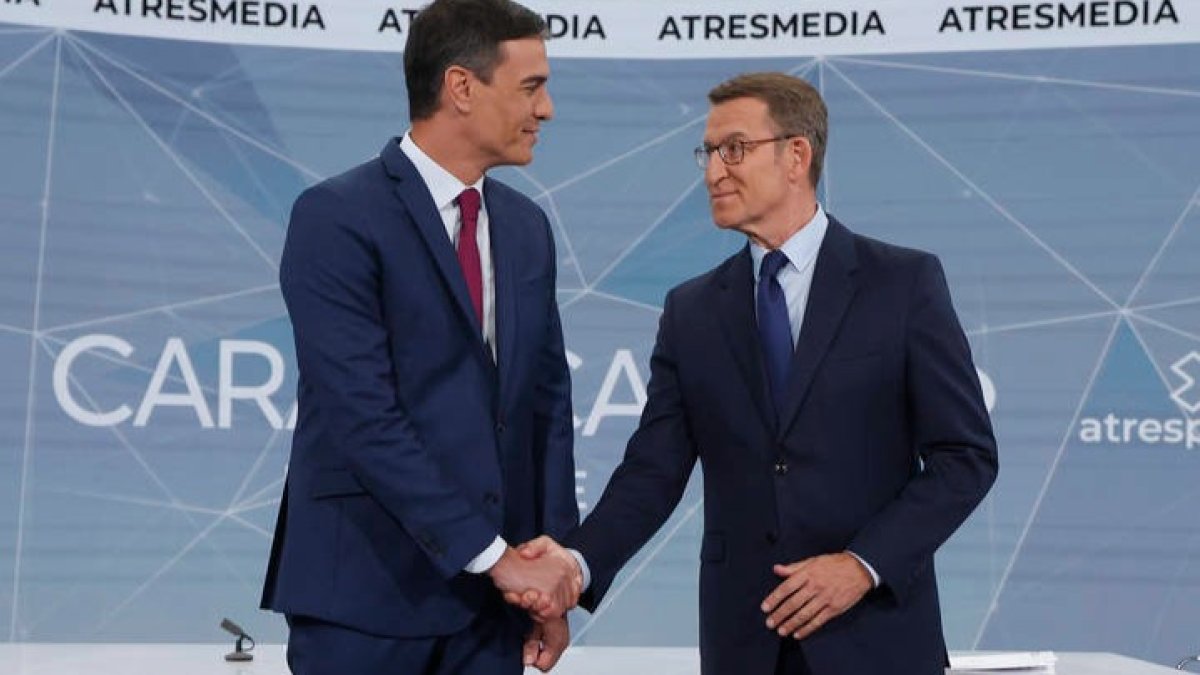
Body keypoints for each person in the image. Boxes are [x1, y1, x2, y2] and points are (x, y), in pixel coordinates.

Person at [517, 72, 998, 674]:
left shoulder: (902, 285)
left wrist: (861, 565)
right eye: (709, 152)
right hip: (745, 645)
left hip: (876, 637)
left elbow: (965, 457)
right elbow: (653, 472)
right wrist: (575, 564)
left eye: (734, 149)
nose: (714, 171)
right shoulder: (691, 311)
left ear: (797, 154)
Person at [260, 1, 583, 672]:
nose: (546, 109)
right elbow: (362, 416)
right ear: (461, 87)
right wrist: (494, 557)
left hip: (491, 613)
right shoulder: (337, 217)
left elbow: (545, 408)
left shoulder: (526, 228)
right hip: (364, 600)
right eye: (531, 86)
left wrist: (548, 582)